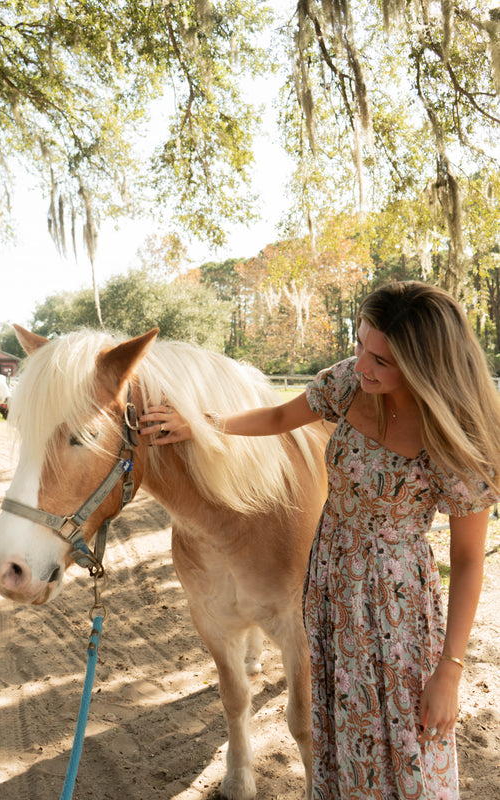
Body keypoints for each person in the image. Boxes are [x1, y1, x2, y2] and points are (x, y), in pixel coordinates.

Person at [138, 280, 500, 799]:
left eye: (382, 359)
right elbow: (283, 417)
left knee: (405, 728)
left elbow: (468, 562)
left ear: (425, 365)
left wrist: (450, 669)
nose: (363, 364)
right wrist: (203, 424)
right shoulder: (349, 384)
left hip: (394, 603)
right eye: (360, 343)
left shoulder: (452, 437)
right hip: (328, 582)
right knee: (334, 720)